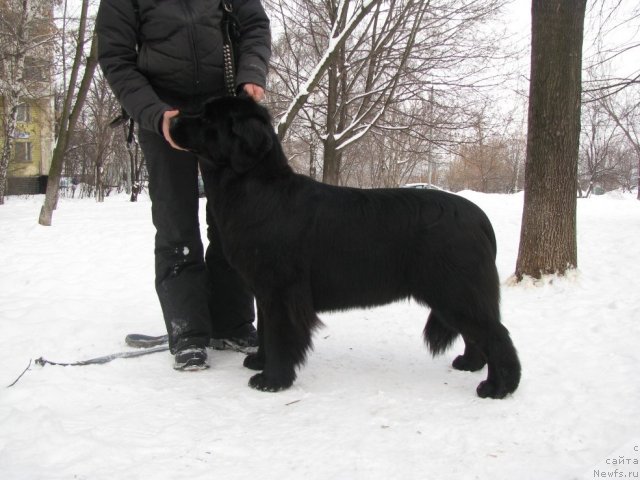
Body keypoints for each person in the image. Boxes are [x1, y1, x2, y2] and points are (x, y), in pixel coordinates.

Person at [96, 0, 271, 370]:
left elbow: (254, 24)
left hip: (222, 112)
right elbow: (115, 58)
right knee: (176, 224)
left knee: (234, 222)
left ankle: (232, 323)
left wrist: (252, 74)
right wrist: (154, 114)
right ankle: (187, 332)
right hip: (162, 113)